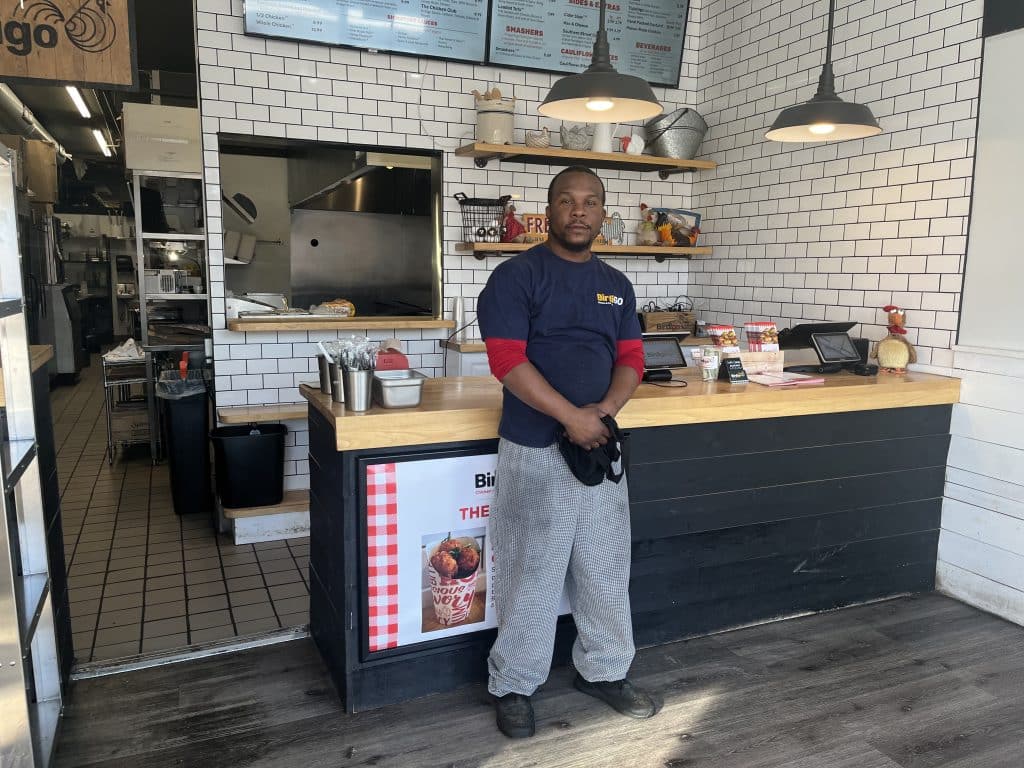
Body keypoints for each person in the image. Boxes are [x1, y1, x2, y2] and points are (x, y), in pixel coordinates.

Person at [477, 166, 656, 739]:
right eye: (567, 201)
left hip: (599, 448)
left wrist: (602, 413)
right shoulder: (516, 276)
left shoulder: (617, 284)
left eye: (591, 203)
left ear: (603, 214)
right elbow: (507, 360)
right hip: (535, 447)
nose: (579, 211)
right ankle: (513, 685)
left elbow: (632, 358)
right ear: (548, 211)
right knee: (532, 574)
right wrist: (570, 417)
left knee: (605, 570)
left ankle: (603, 672)